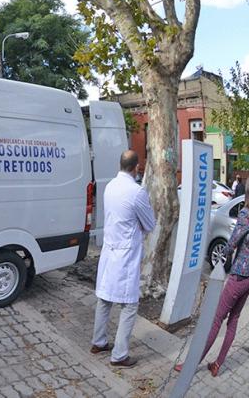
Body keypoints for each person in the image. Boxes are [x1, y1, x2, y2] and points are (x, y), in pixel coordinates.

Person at [175, 171, 249, 376]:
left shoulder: (246, 214)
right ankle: (218, 364)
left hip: (238, 276)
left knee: (216, 320)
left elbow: (231, 243)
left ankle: (191, 364)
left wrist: (225, 257)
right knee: (233, 321)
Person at [90, 150, 156, 368]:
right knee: (129, 305)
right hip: (126, 255)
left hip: (109, 252)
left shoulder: (110, 186)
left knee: (105, 298)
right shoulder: (137, 192)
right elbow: (150, 224)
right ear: (136, 168)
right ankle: (119, 355)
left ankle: (98, 342)